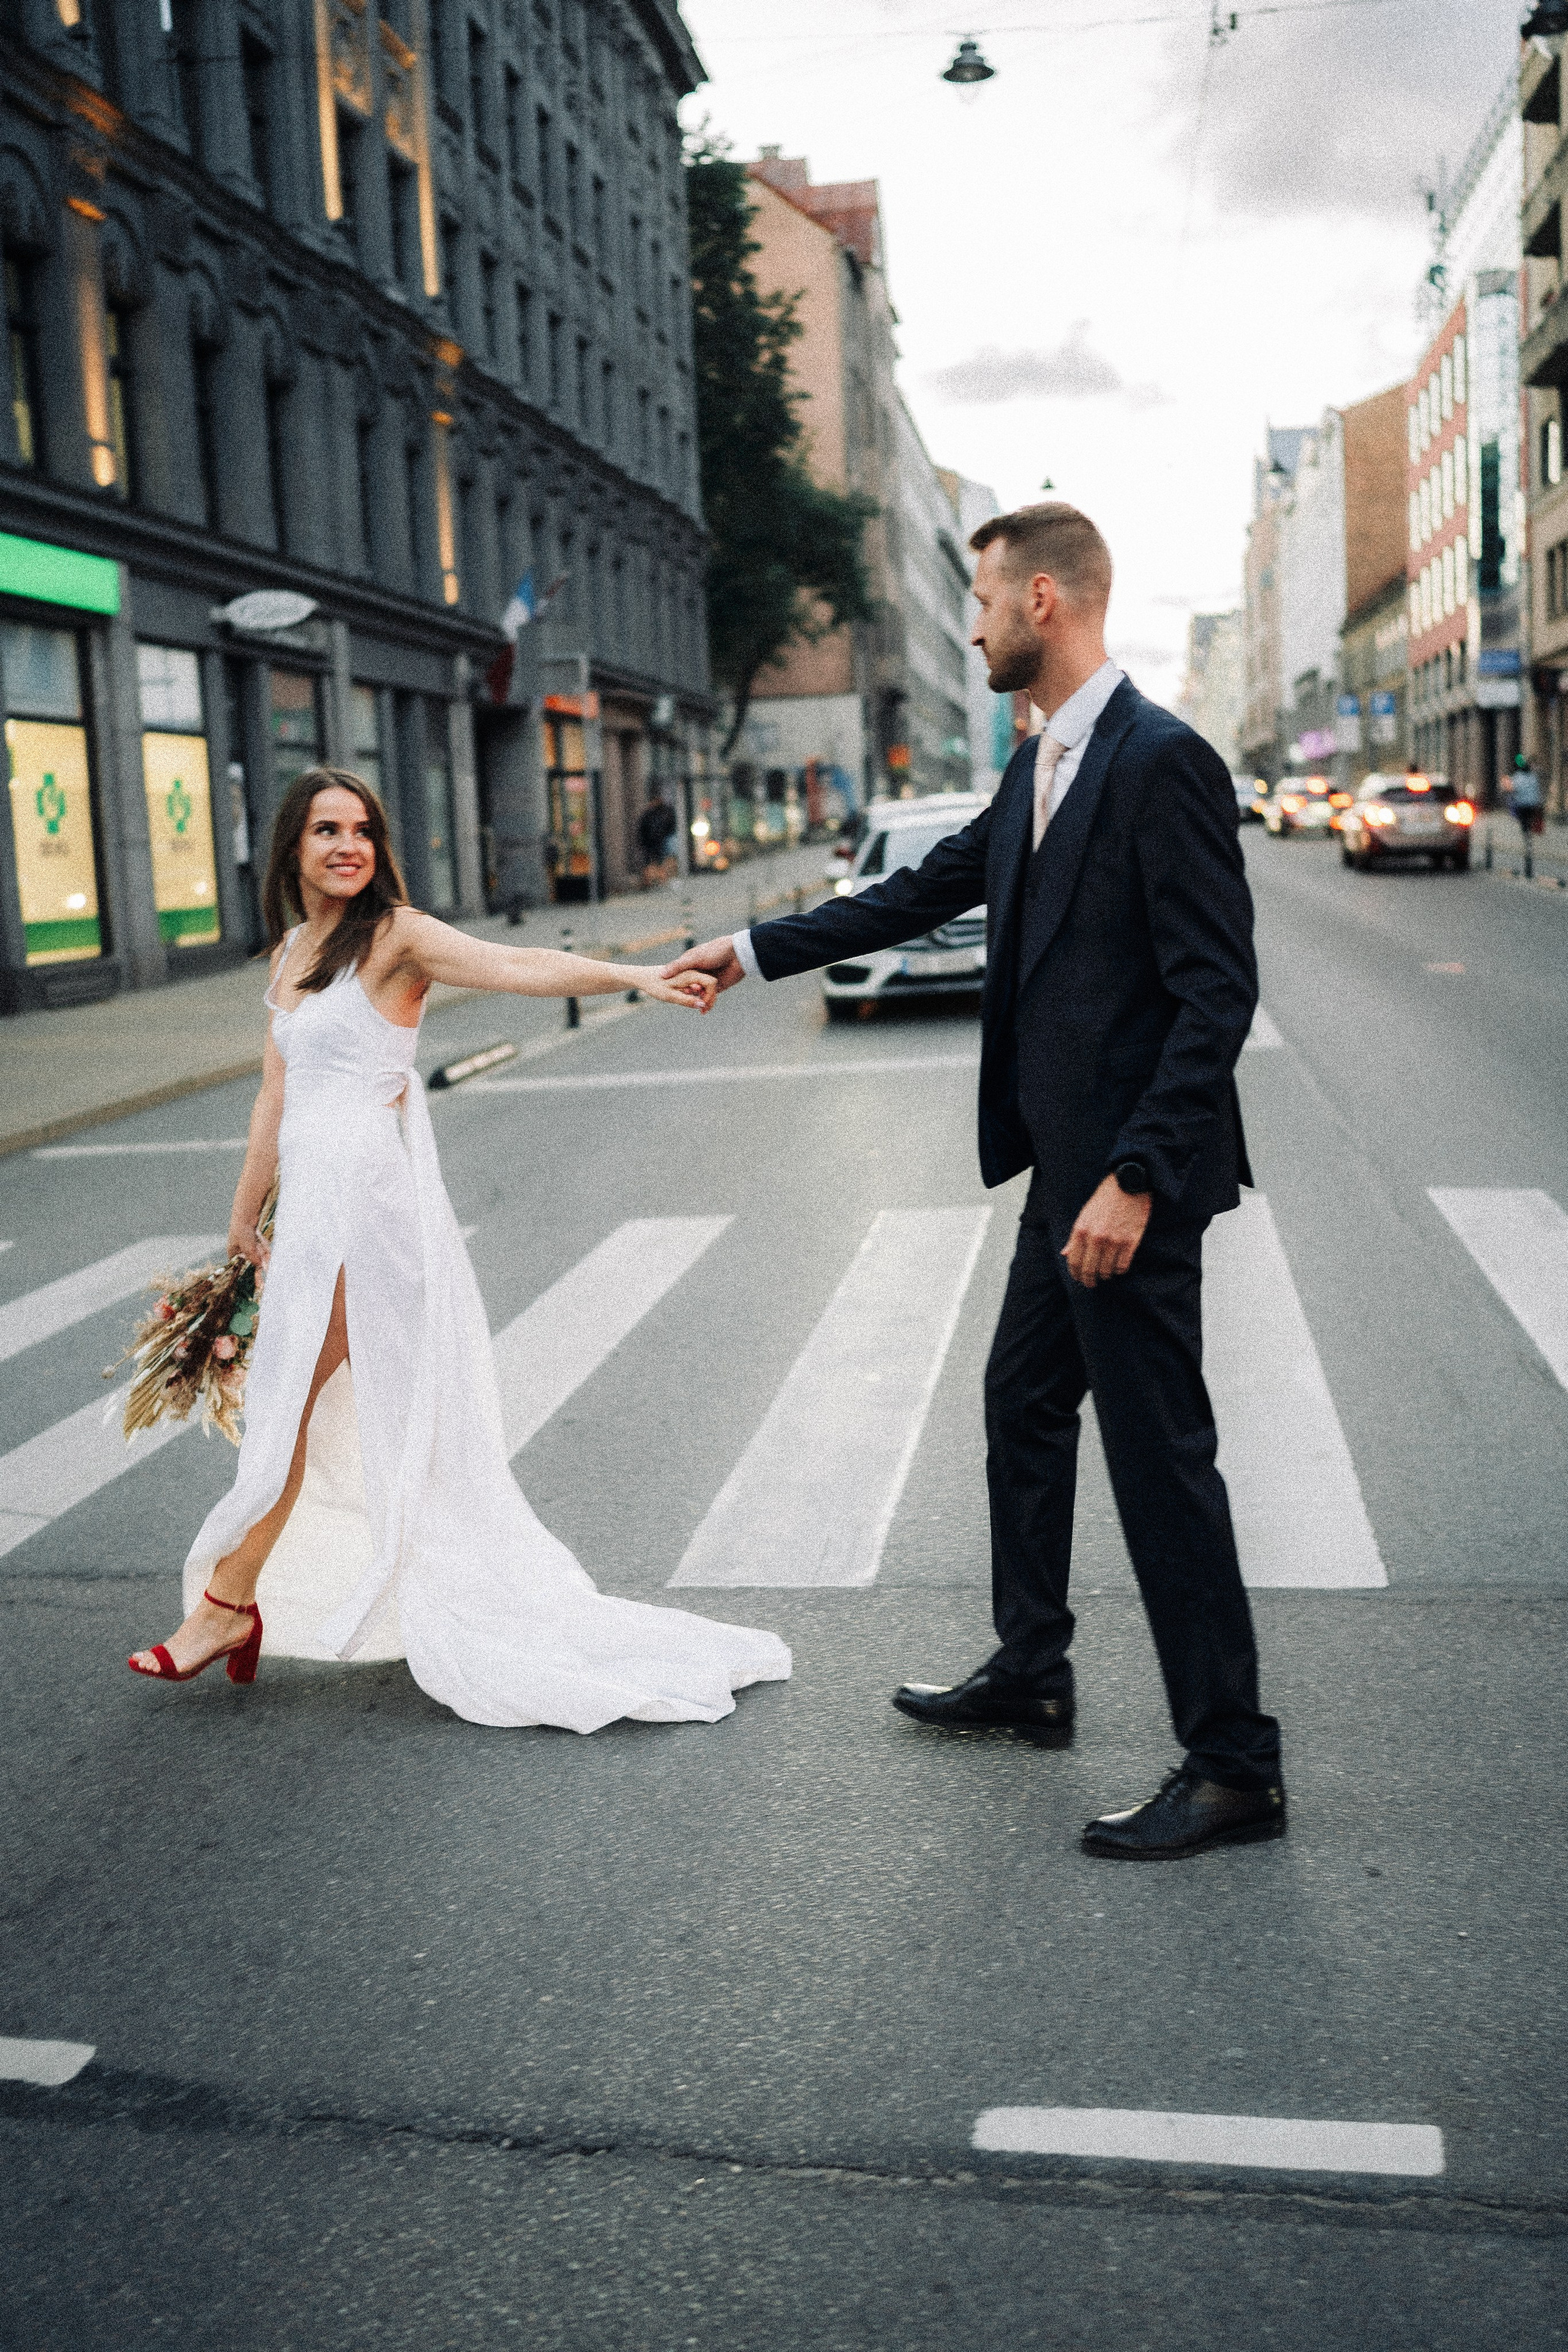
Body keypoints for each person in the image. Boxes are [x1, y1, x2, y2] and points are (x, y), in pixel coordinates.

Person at [665, 502, 1283, 1860]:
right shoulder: (1039, 769)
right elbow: (914, 894)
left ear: (1046, 602)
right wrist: (748, 947)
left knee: (1160, 1466)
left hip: (1124, 1193)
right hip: (1061, 1180)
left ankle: (1232, 1762)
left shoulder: (1157, 761)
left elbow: (1212, 993)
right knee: (1020, 1403)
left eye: (986, 602)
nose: (975, 624)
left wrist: (1130, 1177)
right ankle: (1032, 1666)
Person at [129, 767, 790, 1730]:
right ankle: (242, 1604)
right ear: (293, 849)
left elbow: (518, 966)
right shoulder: (291, 954)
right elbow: (277, 1093)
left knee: (288, 1401)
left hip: (367, 1214)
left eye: (362, 829)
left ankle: (227, 1609)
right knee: (300, 1409)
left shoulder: (396, 938)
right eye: (326, 831)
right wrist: (244, 1215)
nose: (347, 846)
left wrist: (637, 975)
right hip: (310, 1214)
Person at [636, 788, 679, 887]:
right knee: (658, 861)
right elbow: (643, 830)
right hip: (654, 842)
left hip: (660, 841)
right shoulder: (649, 814)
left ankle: (662, 879)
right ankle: (657, 880)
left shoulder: (663, 812)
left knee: (665, 859)